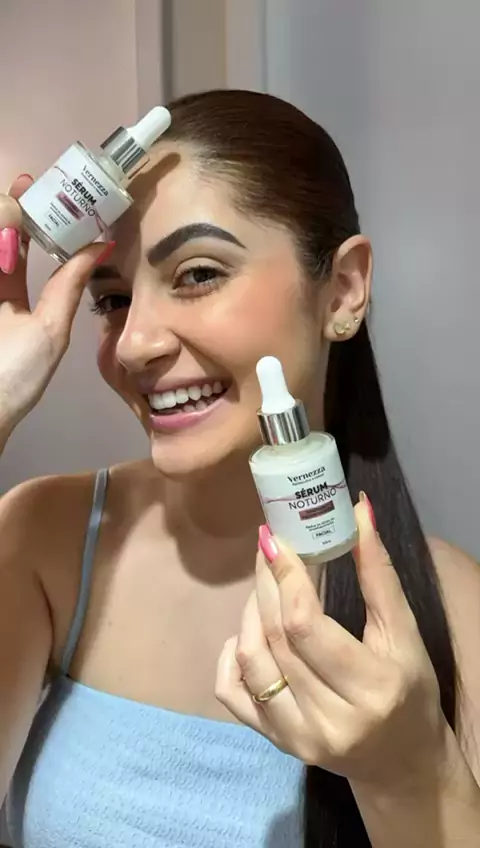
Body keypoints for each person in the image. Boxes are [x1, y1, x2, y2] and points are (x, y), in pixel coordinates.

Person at [0, 89, 479, 848]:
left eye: (197, 274)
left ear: (344, 290)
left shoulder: (452, 610)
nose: (134, 344)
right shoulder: (45, 538)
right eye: (112, 299)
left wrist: (411, 777)